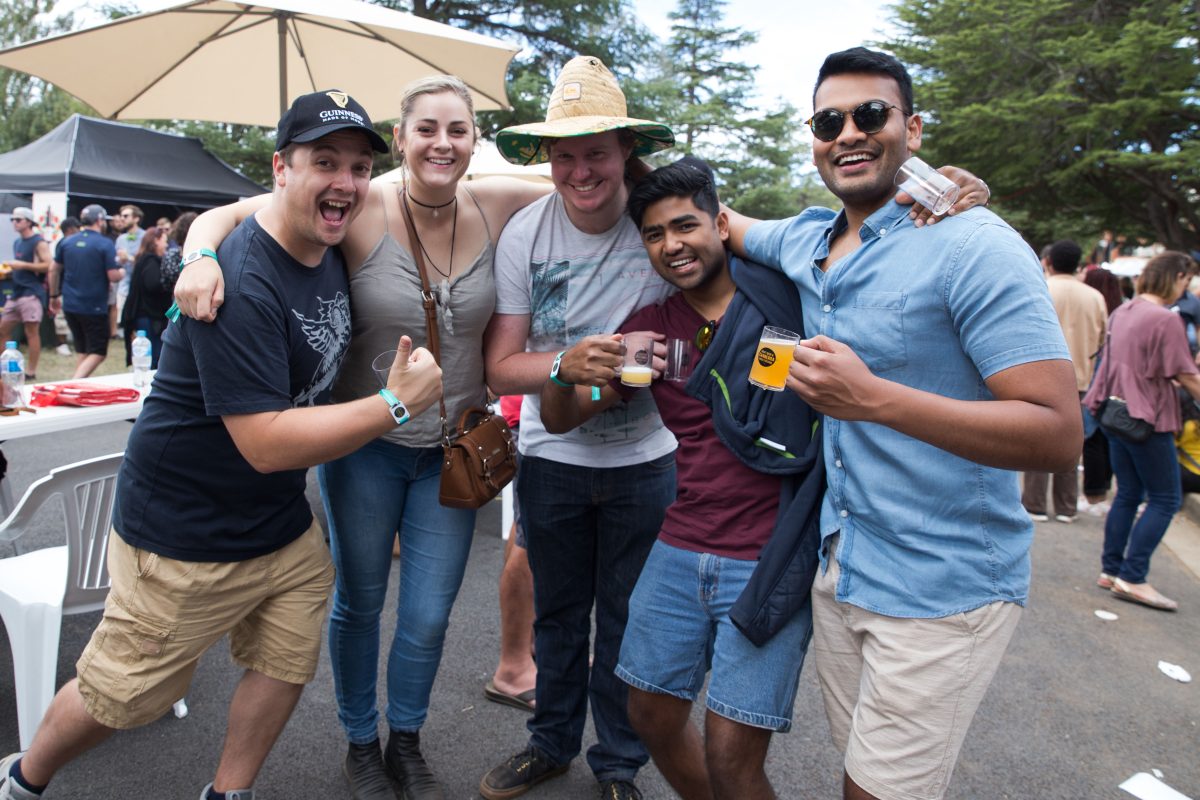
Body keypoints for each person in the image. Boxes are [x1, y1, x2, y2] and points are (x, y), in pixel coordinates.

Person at [0, 89, 444, 800]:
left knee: (290, 648)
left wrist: (197, 242)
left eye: (359, 167)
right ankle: (24, 779)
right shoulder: (240, 282)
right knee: (122, 698)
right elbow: (265, 445)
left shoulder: (318, 232)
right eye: (324, 162)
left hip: (276, 529)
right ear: (280, 168)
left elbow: (227, 212)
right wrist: (395, 405)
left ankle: (228, 793)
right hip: (185, 535)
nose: (346, 182)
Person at [174, 76, 550, 800]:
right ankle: (358, 743)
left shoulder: (499, 200)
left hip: (451, 456)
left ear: (476, 141)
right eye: (427, 129)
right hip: (364, 448)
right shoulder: (358, 201)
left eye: (459, 130)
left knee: (431, 612)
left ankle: (404, 739)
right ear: (402, 139)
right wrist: (197, 255)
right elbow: (229, 214)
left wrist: (724, 221)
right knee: (360, 600)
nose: (443, 143)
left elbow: (589, 186)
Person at [729, 47, 1081, 800]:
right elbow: (716, 222)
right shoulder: (808, 240)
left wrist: (872, 399)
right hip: (844, 569)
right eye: (830, 120)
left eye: (871, 114)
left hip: (942, 588)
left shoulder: (974, 243)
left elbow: (1057, 432)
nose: (848, 132)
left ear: (913, 129)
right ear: (814, 138)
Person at [539, 155, 824, 800]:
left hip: (768, 553)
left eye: (686, 225)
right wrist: (563, 371)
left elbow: (859, 241)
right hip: (679, 547)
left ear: (722, 224)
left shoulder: (789, 300)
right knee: (649, 715)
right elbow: (563, 421)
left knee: (732, 755)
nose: (672, 245)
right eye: (654, 234)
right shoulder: (652, 333)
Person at [477, 56, 680, 800]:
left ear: (626, 149)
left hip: (647, 458)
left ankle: (619, 763)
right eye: (564, 155)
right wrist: (569, 361)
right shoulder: (527, 234)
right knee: (560, 619)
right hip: (551, 455)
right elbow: (502, 366)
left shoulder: (661, 222)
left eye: (595, 151)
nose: (579, 170)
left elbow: (744, 253)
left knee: (628, 620)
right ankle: (549, 744)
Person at [1083, 251, 1200, 612]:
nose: (1186, 288)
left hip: (1115, 413)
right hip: (1148, 417)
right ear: (1176, 276)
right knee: (1165, 498)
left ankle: (1112, 569)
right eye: (1186, 280)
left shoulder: (1126, 310)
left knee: (1128, 493)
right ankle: (1133, 577)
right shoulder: (1164, 320)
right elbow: (1185, 374)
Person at [1022, 240, 1106, 523]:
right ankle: (1066, 506)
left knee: (1035, 437)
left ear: (1049, 262)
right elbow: (1103, 338)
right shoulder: (1094, 296)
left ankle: (1034, 503)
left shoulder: (1039, 287)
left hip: (1038, 373)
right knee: (1073, 440)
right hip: (1080, 376)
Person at [484, 394, 538, 714]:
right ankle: (512, 668)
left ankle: (530, 645)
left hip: (536, 411)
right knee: (530, 536)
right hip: (535, 414)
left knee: (526, 529)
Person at [47, 204, 123, 378]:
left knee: (82, 350)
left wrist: (53, 295)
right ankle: (72, 385)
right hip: (94, 306)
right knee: (98, 351)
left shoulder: (67, 241)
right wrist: (123, 270)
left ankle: (78, 388)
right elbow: (113, 276)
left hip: (71, 304)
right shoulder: (105, 243)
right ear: (99, 220)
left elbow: (53, 269)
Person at [1, 208, 50, 378]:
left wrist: (22, 265)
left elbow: (48, 265)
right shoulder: (18, 242)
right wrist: (9, 272)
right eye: (13, 219)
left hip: (31, 293)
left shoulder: (39, 242)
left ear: (29, 222)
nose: (15, 222)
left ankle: (31, 371)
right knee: (3, 329)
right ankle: (4, 367)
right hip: (16, 292)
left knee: (32, 332)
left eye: (18, 219)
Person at [119, 226, 173, 368]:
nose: (166, 245)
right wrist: (169, 284)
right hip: (149, 316)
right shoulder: (150, 261)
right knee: (153, 357)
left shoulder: (144, 260)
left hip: (146, 315)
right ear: (155, 241)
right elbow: (153, 285)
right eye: (164, 240)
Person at [111, 204, 144, 337]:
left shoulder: (145, 236)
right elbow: (115, 261)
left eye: (126, 216)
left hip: (140, 287)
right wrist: (120, 260)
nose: (122, 219)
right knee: (127, 322)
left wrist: (129, 258)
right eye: (121, 216)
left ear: (136, 218)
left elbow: (147, 262)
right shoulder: (120, 239)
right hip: (124, 286)